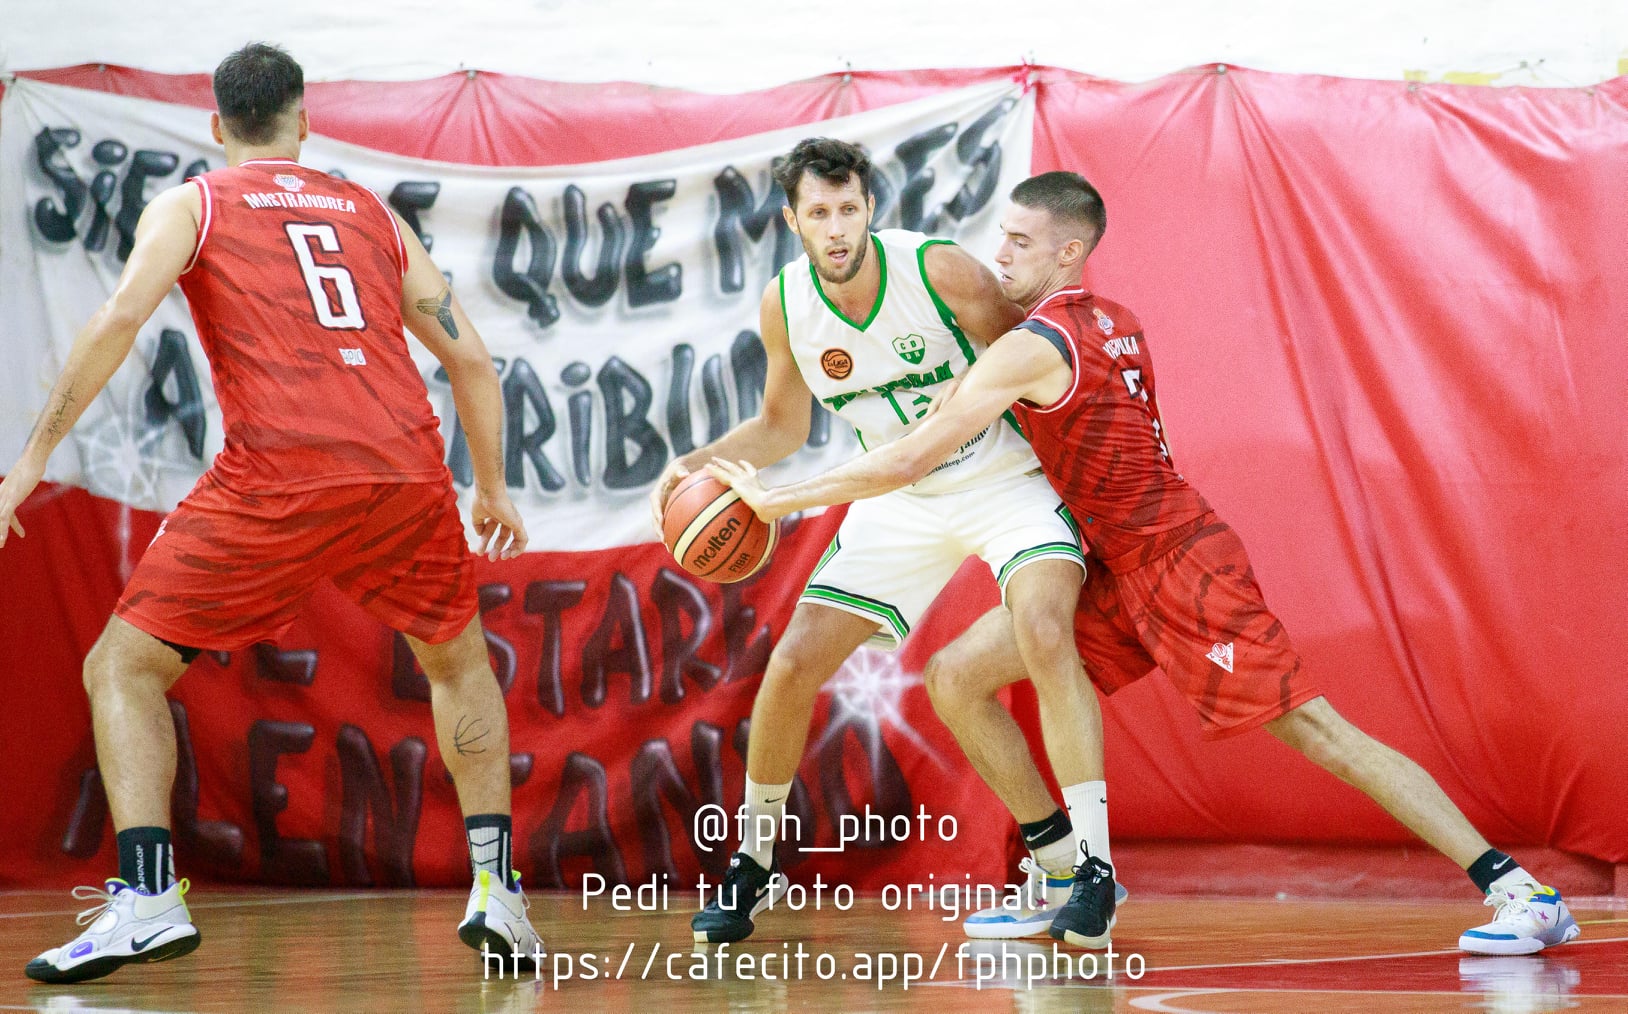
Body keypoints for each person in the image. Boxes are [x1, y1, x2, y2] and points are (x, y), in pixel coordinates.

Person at [708, 170, 1582, 957]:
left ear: (1067, 251)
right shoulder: (1112, 322)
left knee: (1314, 729)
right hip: (1119, 570)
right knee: (958, 675)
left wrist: (779, 500)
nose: (997, 252)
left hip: (1177, 566)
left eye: (1017, 241)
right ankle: (1063, 871)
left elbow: (905, 459)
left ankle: (1519, 889)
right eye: (1000, 236)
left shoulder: (1029, 348)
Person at [0, 43, 544, 983]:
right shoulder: (371, 213)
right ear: (305, 118)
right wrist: (490, 488)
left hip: (283, 475)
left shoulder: (195, 201)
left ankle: (148, 898)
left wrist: (32, 458)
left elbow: (120, 318)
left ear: (217, 126)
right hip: (404, 471)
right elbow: (474, 362)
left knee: (121, 668)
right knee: (458, 661)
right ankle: (499, 890)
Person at [652, 139, 1116, 946]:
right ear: (793, 219)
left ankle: (1095, 870)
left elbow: (1051, 376)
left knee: (1043, 630)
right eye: (819, 213)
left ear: (870, 209)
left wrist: (1098, 501)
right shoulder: (787, 305)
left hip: (1000, 475)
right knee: (795, 662)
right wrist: (690, 466)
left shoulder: (944, 274)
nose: (836, 228)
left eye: (849, 209)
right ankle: (752, 862)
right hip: (898, 495)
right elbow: (781, 427)